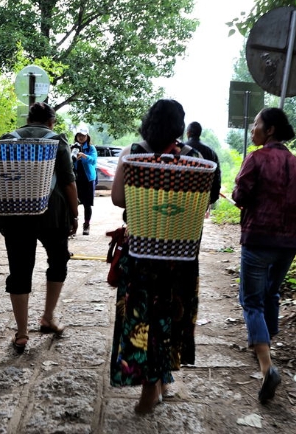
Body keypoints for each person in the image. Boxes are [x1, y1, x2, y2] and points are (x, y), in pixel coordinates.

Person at [110, 99, 203, 414]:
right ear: (179, 127)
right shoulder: (194, 159)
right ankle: (163, 380)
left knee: (144, 319)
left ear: (149, 122)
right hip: (180, 257)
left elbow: (118, 198)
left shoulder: (132, 153)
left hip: (142, 255)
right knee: (169, 319)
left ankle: (150, 391)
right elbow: (201, 208)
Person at [232, 107, 296, 404]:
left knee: (251, 300)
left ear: (269, 130)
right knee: (271, 293)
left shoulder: (256, 158)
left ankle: (267, 366)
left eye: (256, 124)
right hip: (291, 243)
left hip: (259, 239)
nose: (253, 129)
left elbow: (240, 195)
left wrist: (249, 204)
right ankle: (265, 343)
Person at [0, 102, 79, 354]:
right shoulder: (57, 141)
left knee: (19, 270)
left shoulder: (8, 139)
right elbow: (69, 183)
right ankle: (48, 317)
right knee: (58, 261)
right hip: (53, 213)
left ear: (27, 120)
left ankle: (22, 333)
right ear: (51, 122)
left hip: (15, 213)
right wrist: (75, 214)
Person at [184, 121, 222, 206]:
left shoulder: (180, 150)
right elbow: (217, 176)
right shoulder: (210, 152)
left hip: (181, 196)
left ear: (188, 133)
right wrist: (213, 197)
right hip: (202, 197)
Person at [72, 124, 97, 235]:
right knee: (73, 203)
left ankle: (86, 225)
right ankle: (72, 225)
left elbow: (93, 161)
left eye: (83, 135)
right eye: (79, 135)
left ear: (87, 136)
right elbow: (69, 161)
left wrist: (84, 156)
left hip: (88, 180)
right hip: (76, 179)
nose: (81, 137)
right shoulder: (73, 147)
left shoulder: (91, 148)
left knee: (87, 204)